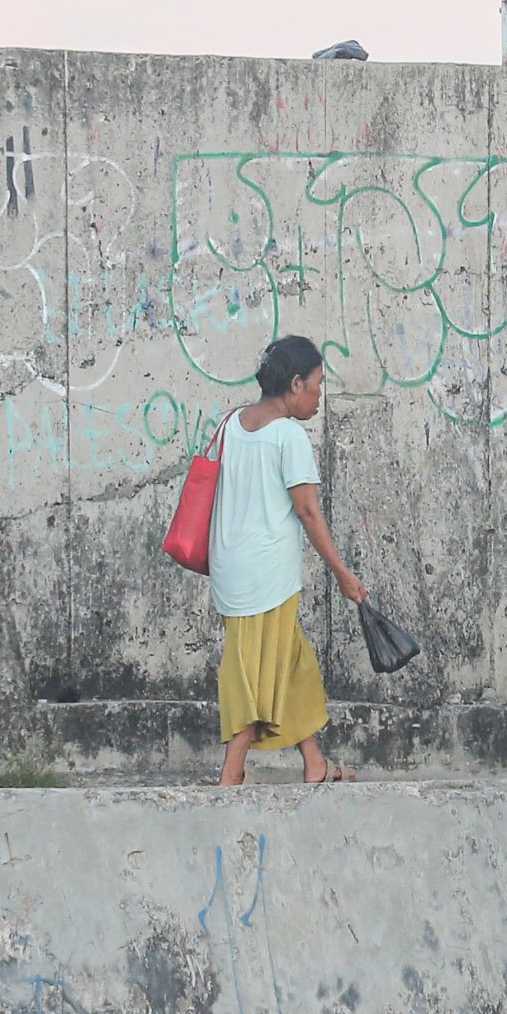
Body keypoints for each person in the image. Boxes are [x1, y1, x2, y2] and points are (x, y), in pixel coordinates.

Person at [208, 335, 371, 786]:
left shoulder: (231, 425)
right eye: (318, 384)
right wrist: (342, 572)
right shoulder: (288, 436)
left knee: (293, 664)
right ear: (296, 384)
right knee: (256, 676)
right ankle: (230, 776)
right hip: (266, 576)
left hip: (232, 569)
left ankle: (315, 764)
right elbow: (307, 510)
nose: (320, 396)